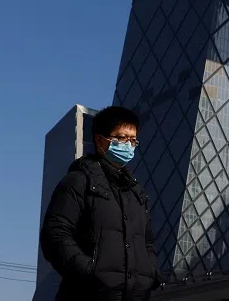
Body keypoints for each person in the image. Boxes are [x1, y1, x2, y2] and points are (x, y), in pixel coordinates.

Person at [41, 106, 164, 301]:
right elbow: (54, 235)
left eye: (133, 140)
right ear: (100, 140)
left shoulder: (136, 193)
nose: (129, 145)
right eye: (122, 138)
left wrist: (150, 274)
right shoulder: (79, 182)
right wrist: (91, 273)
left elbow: (147, 241)